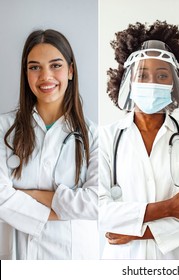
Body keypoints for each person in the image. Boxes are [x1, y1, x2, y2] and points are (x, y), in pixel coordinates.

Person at [99, 21, 179, 260]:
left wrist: (138, 232)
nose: (151, 83)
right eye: (142, 75)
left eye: (162, 75)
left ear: (174, 82)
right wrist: (169, 208)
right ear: (127, 81)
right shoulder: (106, 138)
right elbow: (100, 211)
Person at [0, 29, 99, 259]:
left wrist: (26, 195)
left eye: (56, 65)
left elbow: (95, 204)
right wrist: (67, 209)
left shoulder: (93, 136)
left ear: (71, 70)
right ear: (26, 74)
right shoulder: (4, 129)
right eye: (35, 67)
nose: (46, 76)